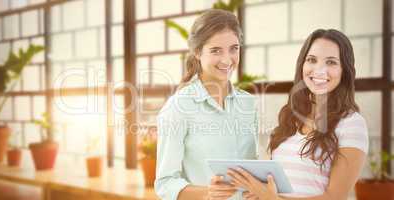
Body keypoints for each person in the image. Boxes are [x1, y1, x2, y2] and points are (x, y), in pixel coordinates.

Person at [213, 29, 369, 200]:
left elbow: (335, 196)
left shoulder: (351, 123)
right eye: (312, 60)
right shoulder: (291, 118)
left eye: (331, 62)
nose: (319, 70)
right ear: (302, 64)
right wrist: (252, 189)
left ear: (344, 71)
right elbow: (277, 188)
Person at [154, 9, 259, 200]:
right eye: (215, 50)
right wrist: (208, 193)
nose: (227, 60)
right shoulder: (178, 107)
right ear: (197, 52)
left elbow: (253, 165)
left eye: (234, 48)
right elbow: (165, 183)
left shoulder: (248, 103)